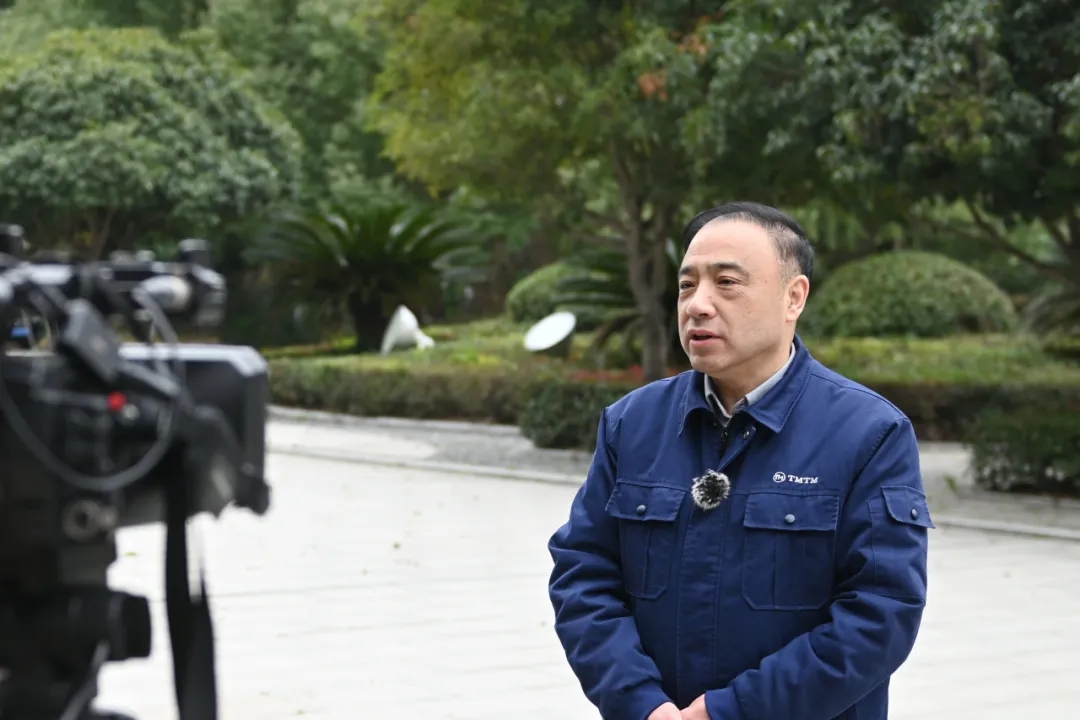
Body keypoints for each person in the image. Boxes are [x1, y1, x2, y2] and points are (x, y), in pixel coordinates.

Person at [547, 201, 934, 720]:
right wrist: (640, 703)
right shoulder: (632, 424)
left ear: (793, 297)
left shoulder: (869, 433)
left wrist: (730, 711)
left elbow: (880, 615)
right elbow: (583, 575)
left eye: (726, 282)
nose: (698, 305)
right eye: (687, 285)